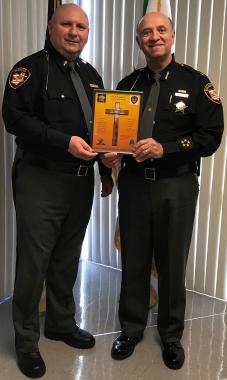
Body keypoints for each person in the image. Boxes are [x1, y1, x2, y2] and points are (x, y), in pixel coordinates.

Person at [101, 12, 224, 370]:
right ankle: (131, 329)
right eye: (145, 32)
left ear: (172, 36)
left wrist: (166, 148)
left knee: (172, 262)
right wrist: (110, 150)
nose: (153, 37)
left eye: (160, 30)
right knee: (134, 259)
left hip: (177, 186)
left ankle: (171, 335)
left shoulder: (197, 83)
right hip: (136, 185)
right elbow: (112, 134)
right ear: (139, 40)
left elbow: (210, 136)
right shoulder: (126, 85)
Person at [2, 4, 113, 379]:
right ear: (51, 27)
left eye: (81, 26)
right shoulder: (29, 69)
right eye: (66, 24)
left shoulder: (91, 75)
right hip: (41, 178)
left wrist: (107, 167)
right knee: (34, 262)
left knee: (67, 257)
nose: (74, 32)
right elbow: (14, 117)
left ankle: (61, 323)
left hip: (79, 181)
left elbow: (101, 130)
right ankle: (27, 340)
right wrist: (63, 142)